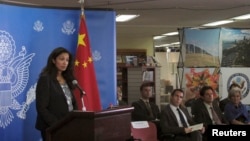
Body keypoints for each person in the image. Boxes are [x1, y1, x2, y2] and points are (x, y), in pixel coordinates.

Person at [35, 47, 78, 141]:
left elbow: (72, 102)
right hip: (52, 127)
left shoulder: (68, 78)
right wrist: (57, 124)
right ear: (54, 60)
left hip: (68, 125)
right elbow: (41, 107)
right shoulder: (45, 79)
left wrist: (75, 118)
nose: (65, 62)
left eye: (67, 60)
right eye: (61, 59)